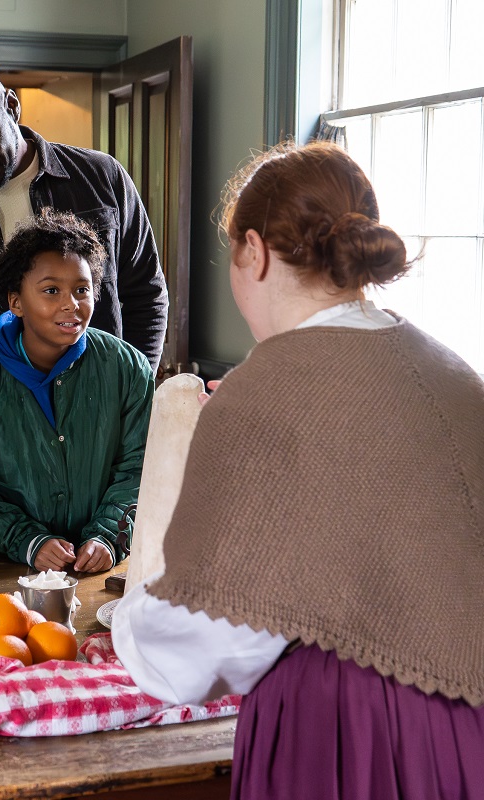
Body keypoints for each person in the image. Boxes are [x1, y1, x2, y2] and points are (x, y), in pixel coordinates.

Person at [111, 141, 484, 799]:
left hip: (352, 735)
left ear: (252, 251)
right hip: (465, 738)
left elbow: (211, 642)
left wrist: (129, 625)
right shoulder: (452, 370)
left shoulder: (270, 390)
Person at [0, 61, 168, 391]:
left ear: (11, 106)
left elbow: (148, 295)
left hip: (99, 409)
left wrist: (135, 389)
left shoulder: (102, 178)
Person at [0, 209, 154, 572]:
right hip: (5, 569)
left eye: (82, 290)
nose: (71, 304)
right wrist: (28, 541)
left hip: (101, 568)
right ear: (16, 302)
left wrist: (108, 537)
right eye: (51, 290)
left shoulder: (127, 367)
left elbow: (139, 467)